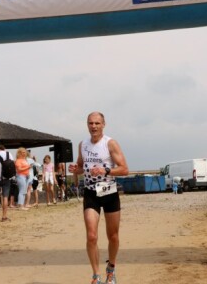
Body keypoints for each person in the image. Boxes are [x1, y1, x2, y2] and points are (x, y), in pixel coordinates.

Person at [68, 112, 128, 284]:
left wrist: (105, 170)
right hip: (91, 192)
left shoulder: (110, 144)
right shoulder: (83, 144)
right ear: (87, 125)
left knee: (113, 236)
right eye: (90, 123)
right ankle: (96, 276)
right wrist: (75, 168)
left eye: (97, 123)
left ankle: (111, 269)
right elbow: (81, 167)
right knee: (92, 236)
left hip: (109, 191)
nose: (93, 126)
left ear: (103, 124)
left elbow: (124, 169)